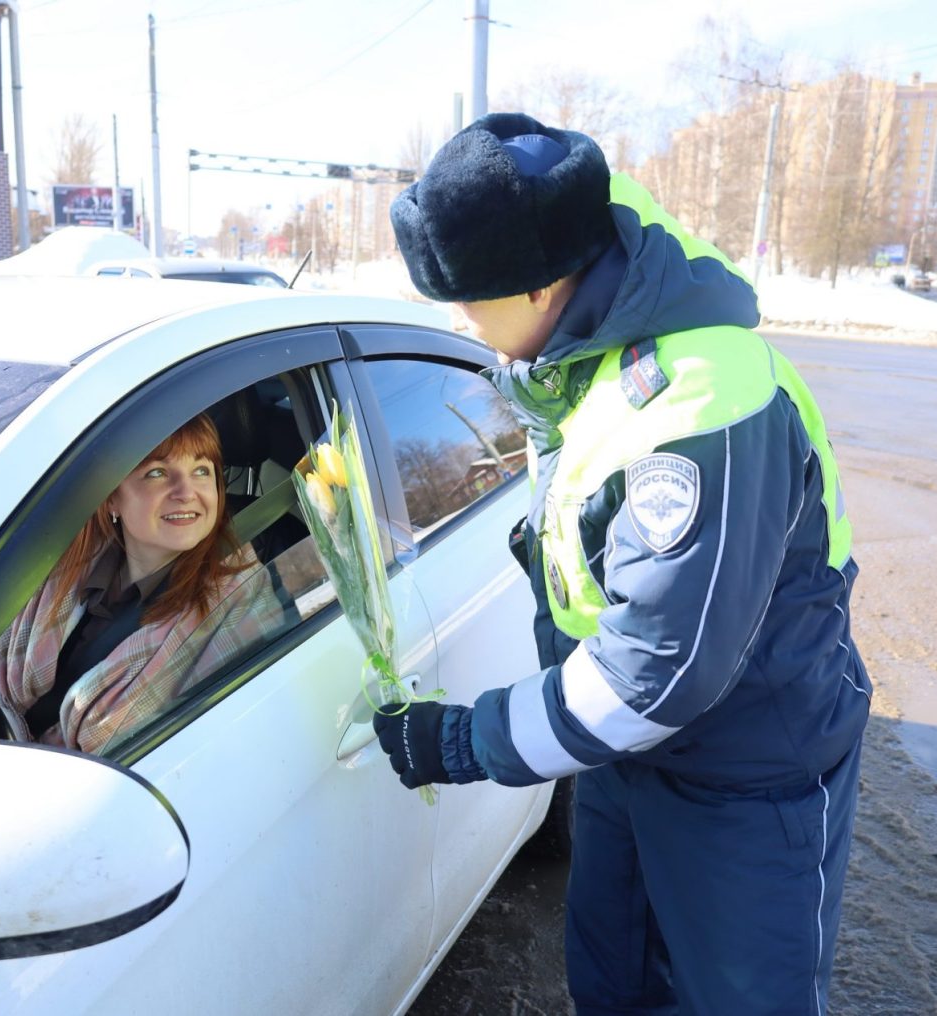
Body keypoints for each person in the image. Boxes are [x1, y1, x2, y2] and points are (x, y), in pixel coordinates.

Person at [373, 114, 871, 1015]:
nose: (456, 322)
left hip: (746, 775)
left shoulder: (701, 404)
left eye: (468, 298)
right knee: (615, 982)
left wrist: (460, 741)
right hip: (624, 761)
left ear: (541, 284)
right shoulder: (578, 355)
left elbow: (655, 677)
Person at [0, 413, 287, 754]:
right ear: (111, 499)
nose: (186, 492)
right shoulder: (59, 568)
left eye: (201, 471)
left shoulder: (237, 603)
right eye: (157, 473)